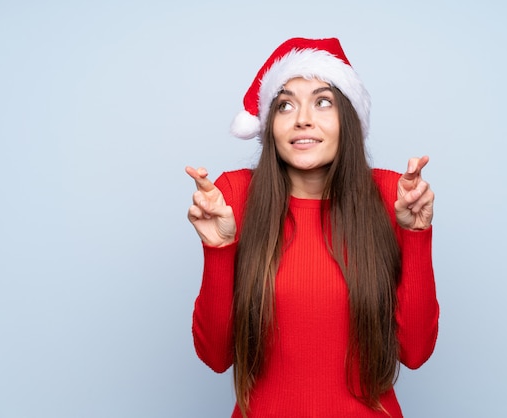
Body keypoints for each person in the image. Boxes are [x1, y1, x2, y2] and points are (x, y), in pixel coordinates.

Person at [185, 37, 439, 418]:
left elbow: (415, 353)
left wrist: (416, 235)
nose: (303, 118)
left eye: (323, 101)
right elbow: (216, 357)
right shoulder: (235, 195)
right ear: (270, 125)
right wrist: (218, 250)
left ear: (348, 119)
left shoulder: (392, 195)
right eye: (285, 104)